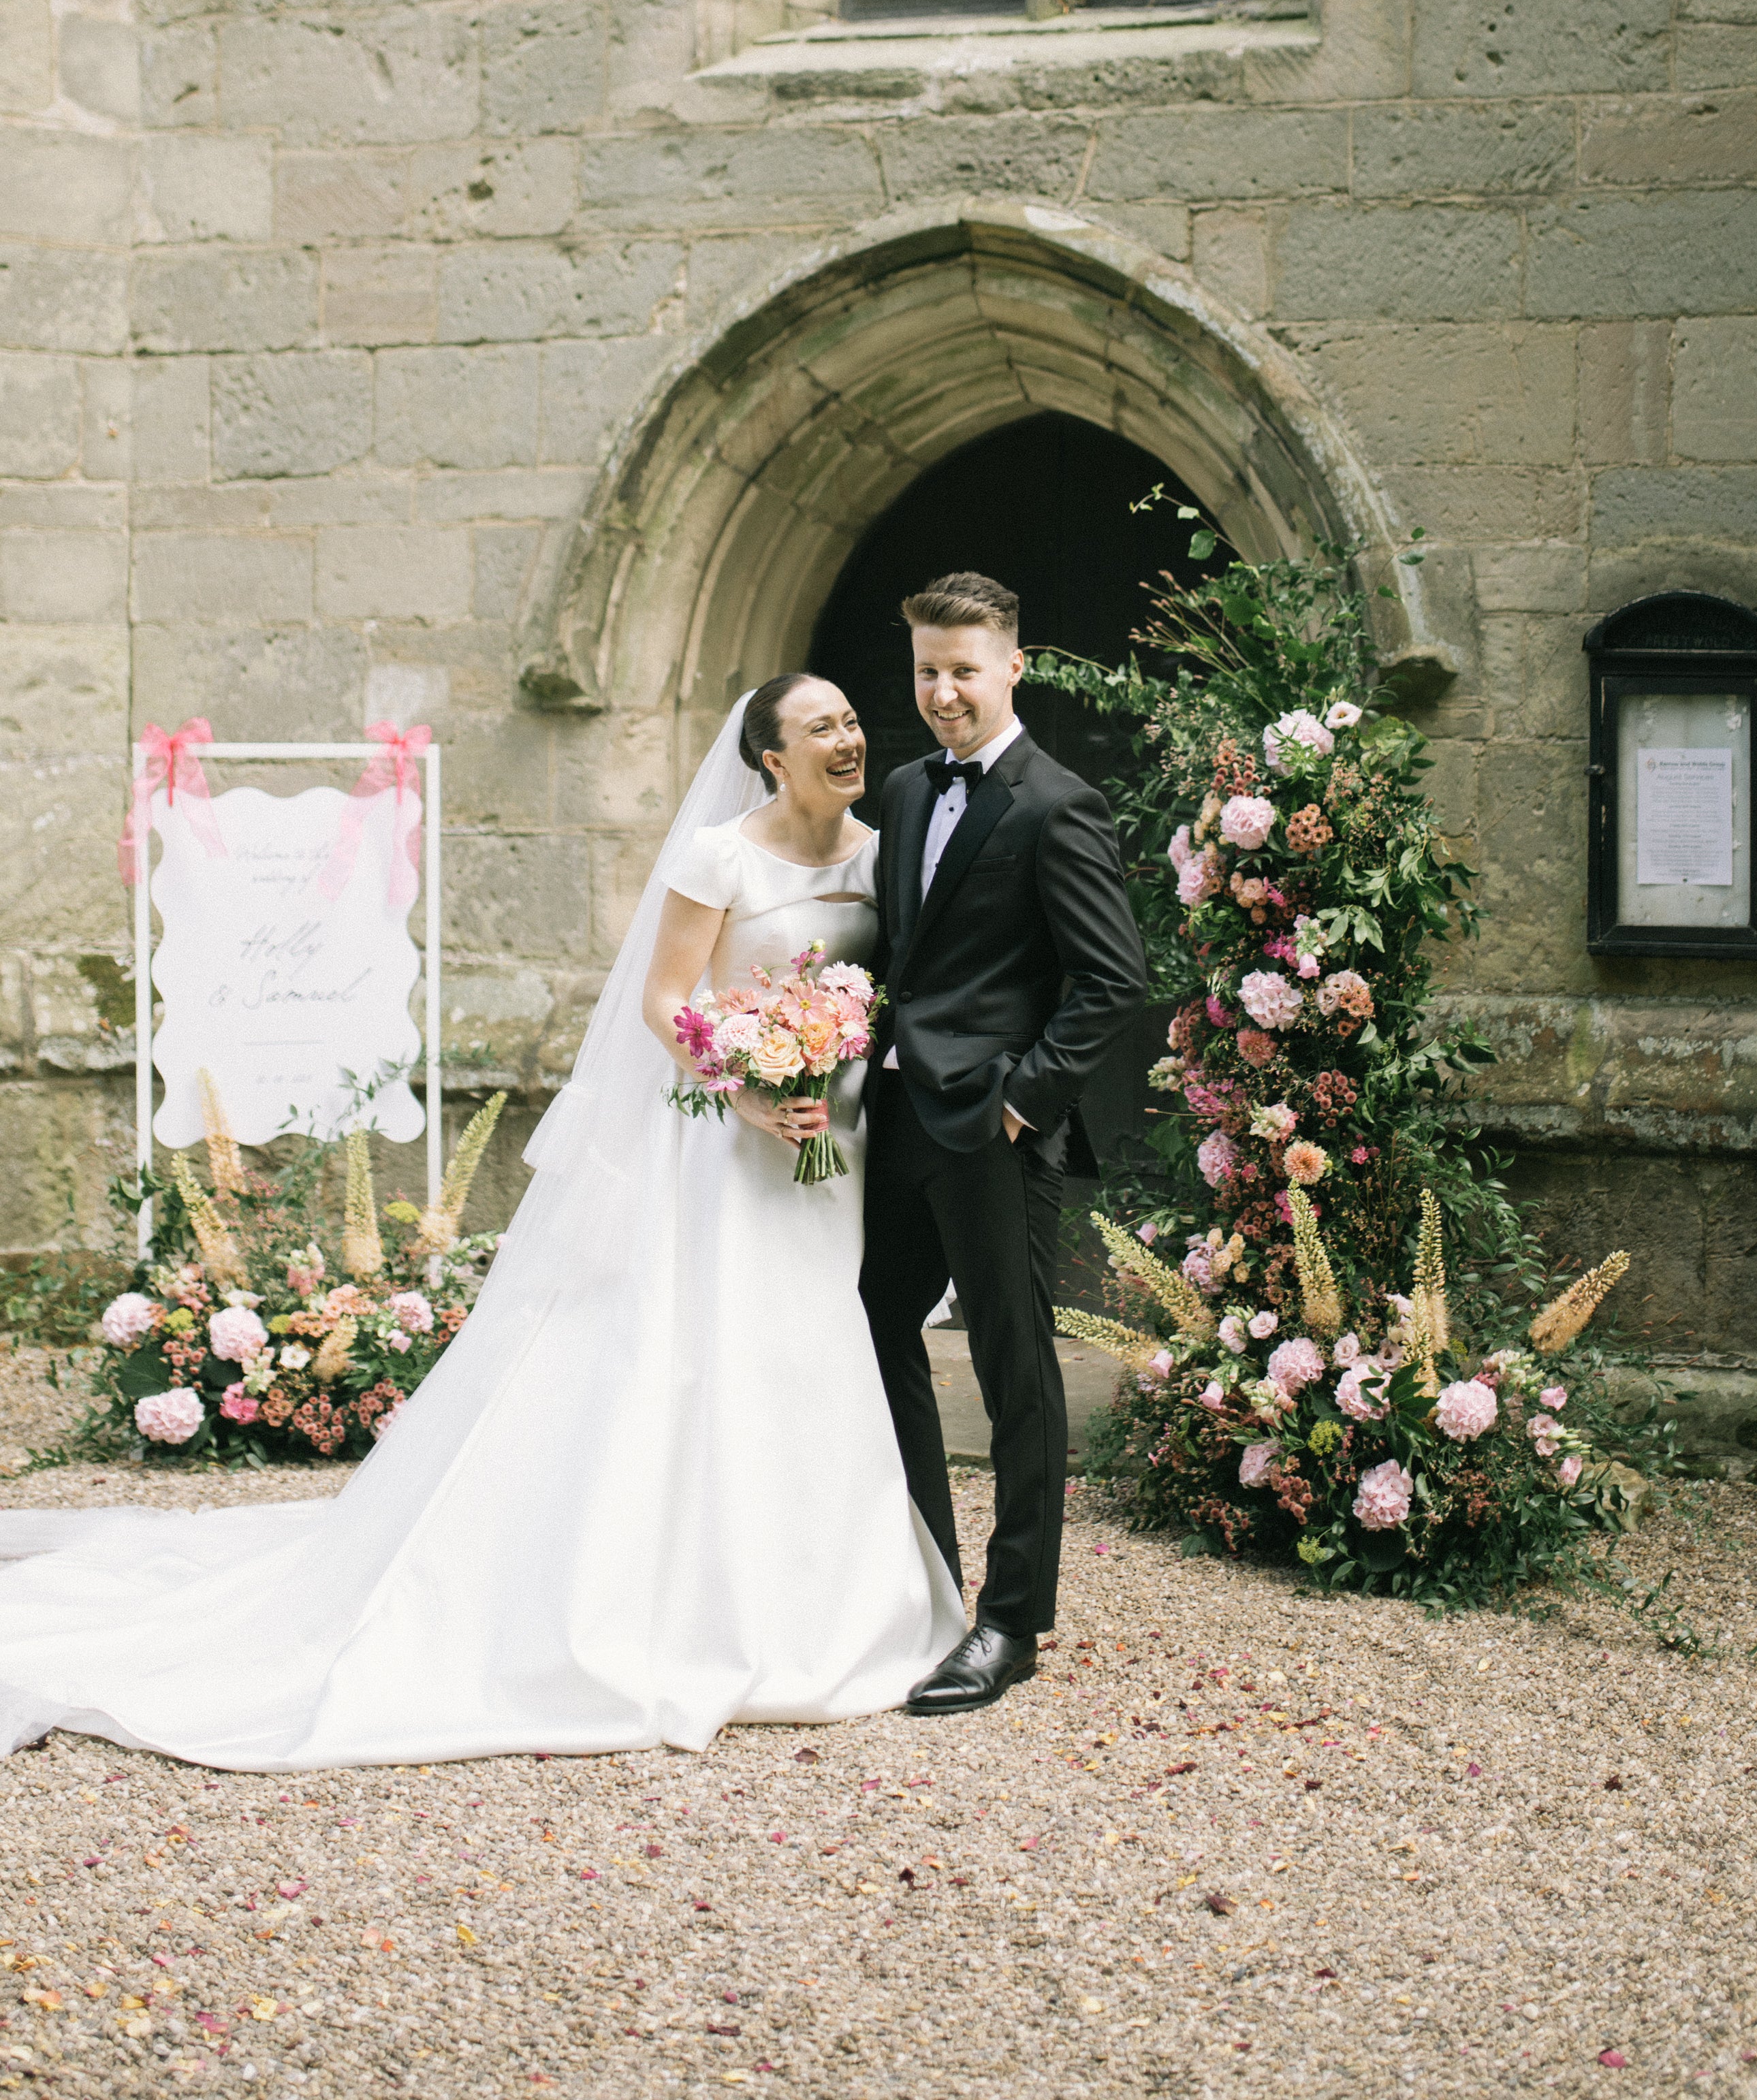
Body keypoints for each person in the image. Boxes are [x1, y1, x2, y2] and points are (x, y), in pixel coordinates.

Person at [0, 680, 962, 1768]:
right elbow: (666, 999)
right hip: (729, 1143)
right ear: (771, 757)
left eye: (850, 721)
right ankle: (696, 1607)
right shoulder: (718, 856)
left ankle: (824, 1595)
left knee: (813, 1346)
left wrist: (825, 1069)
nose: (849, 738)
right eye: (821, 727)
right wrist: (742, 1086)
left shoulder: (882, 853)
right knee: (713, 1348)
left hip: (831, 1145)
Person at [860, 571, 1149, 1716]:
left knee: (1013, 1367)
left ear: (1012, 667)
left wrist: (1022, 1103)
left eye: (963, 671)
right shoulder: (900, 788)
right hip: (891, 1120)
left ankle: (1010, 1621)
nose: (943, 692)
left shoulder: (1056, 804)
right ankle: (927, 1577)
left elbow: (1111, 978)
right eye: (926, 671)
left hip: (992, 1131)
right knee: (874, 1331)